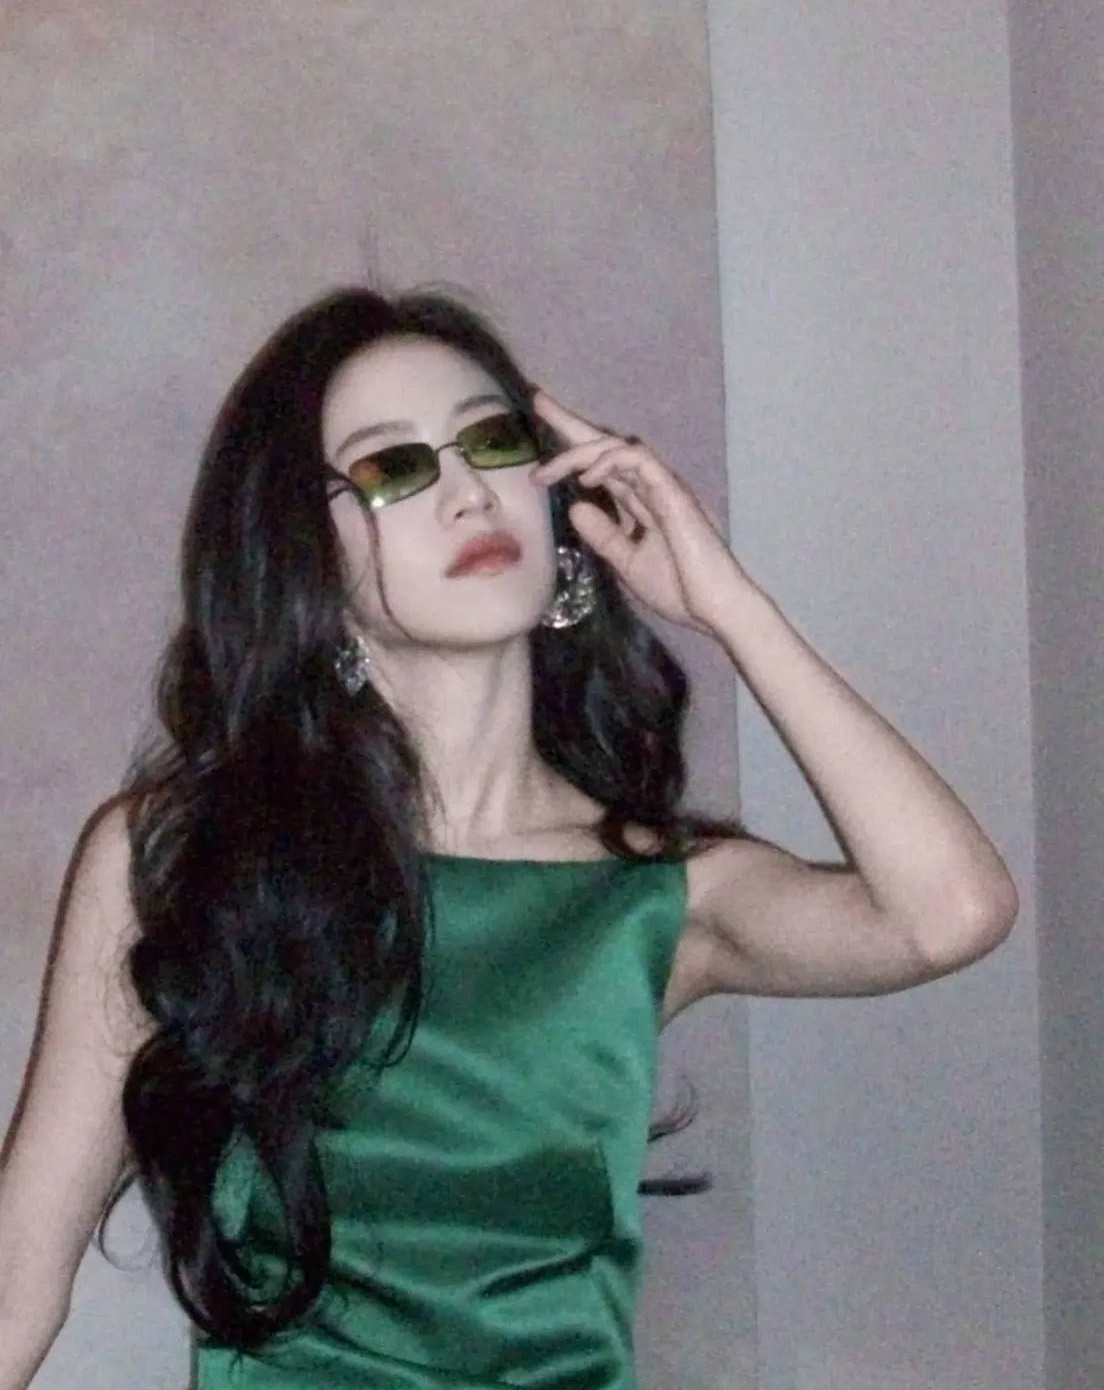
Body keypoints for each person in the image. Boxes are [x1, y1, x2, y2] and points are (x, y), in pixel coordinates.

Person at [0, 287, 1018, 1389]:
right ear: (304, 556)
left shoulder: (654, 894)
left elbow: (951, 914)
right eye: (394, 467)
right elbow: (17, 1274)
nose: (467, 491)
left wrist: (725, 603)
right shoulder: (181, 861)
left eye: (493, 441)